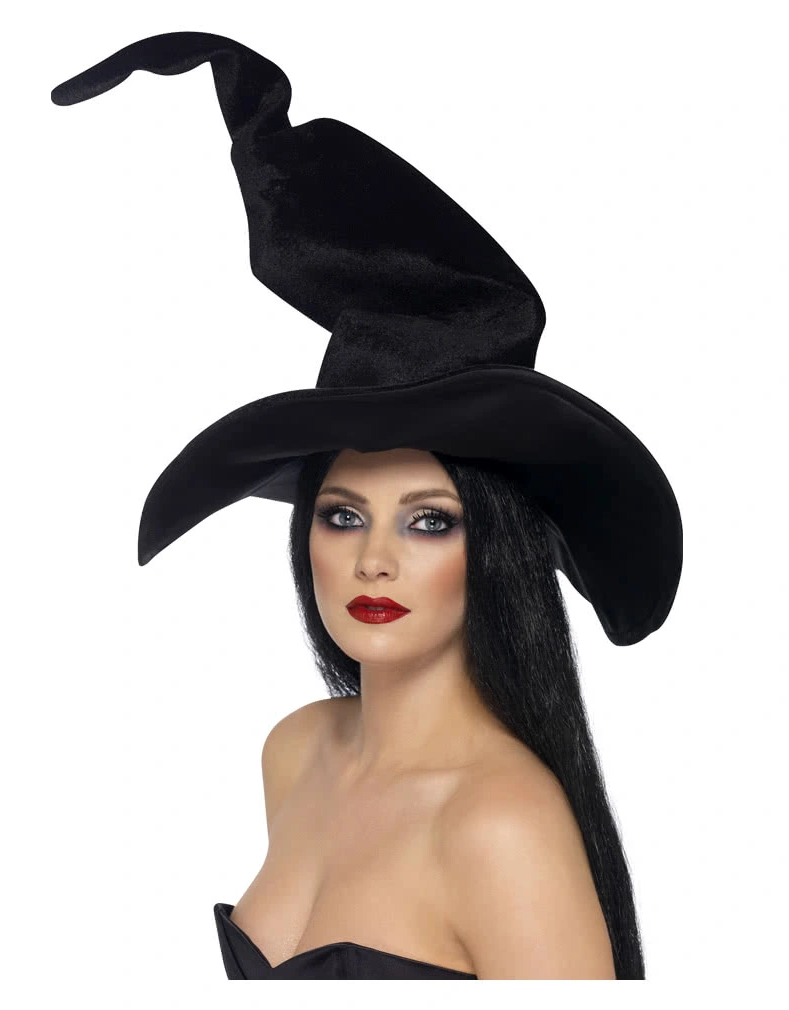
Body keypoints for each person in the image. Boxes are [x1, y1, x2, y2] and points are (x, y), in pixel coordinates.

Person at [50, 31, 682, 979]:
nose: (372, 559)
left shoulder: (500, 824)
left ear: (495, 548)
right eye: (342, 514)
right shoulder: (297, 751)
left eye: (429, 520)